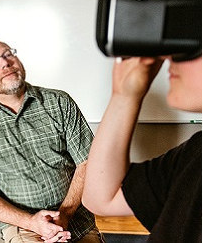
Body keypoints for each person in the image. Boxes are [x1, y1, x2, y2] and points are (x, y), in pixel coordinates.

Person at [0, 40, 105, 243]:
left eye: (8, 54)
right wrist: (32, 222)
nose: (5, 63)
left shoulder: (59, 103)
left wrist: (65, 213)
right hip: (22, 226)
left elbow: (88, 161)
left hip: (75, 218)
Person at [82, 54, 202, 242]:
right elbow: (101, 199)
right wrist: (124, 94)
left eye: (192, 45)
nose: (169, 57)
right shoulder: (195, 153)